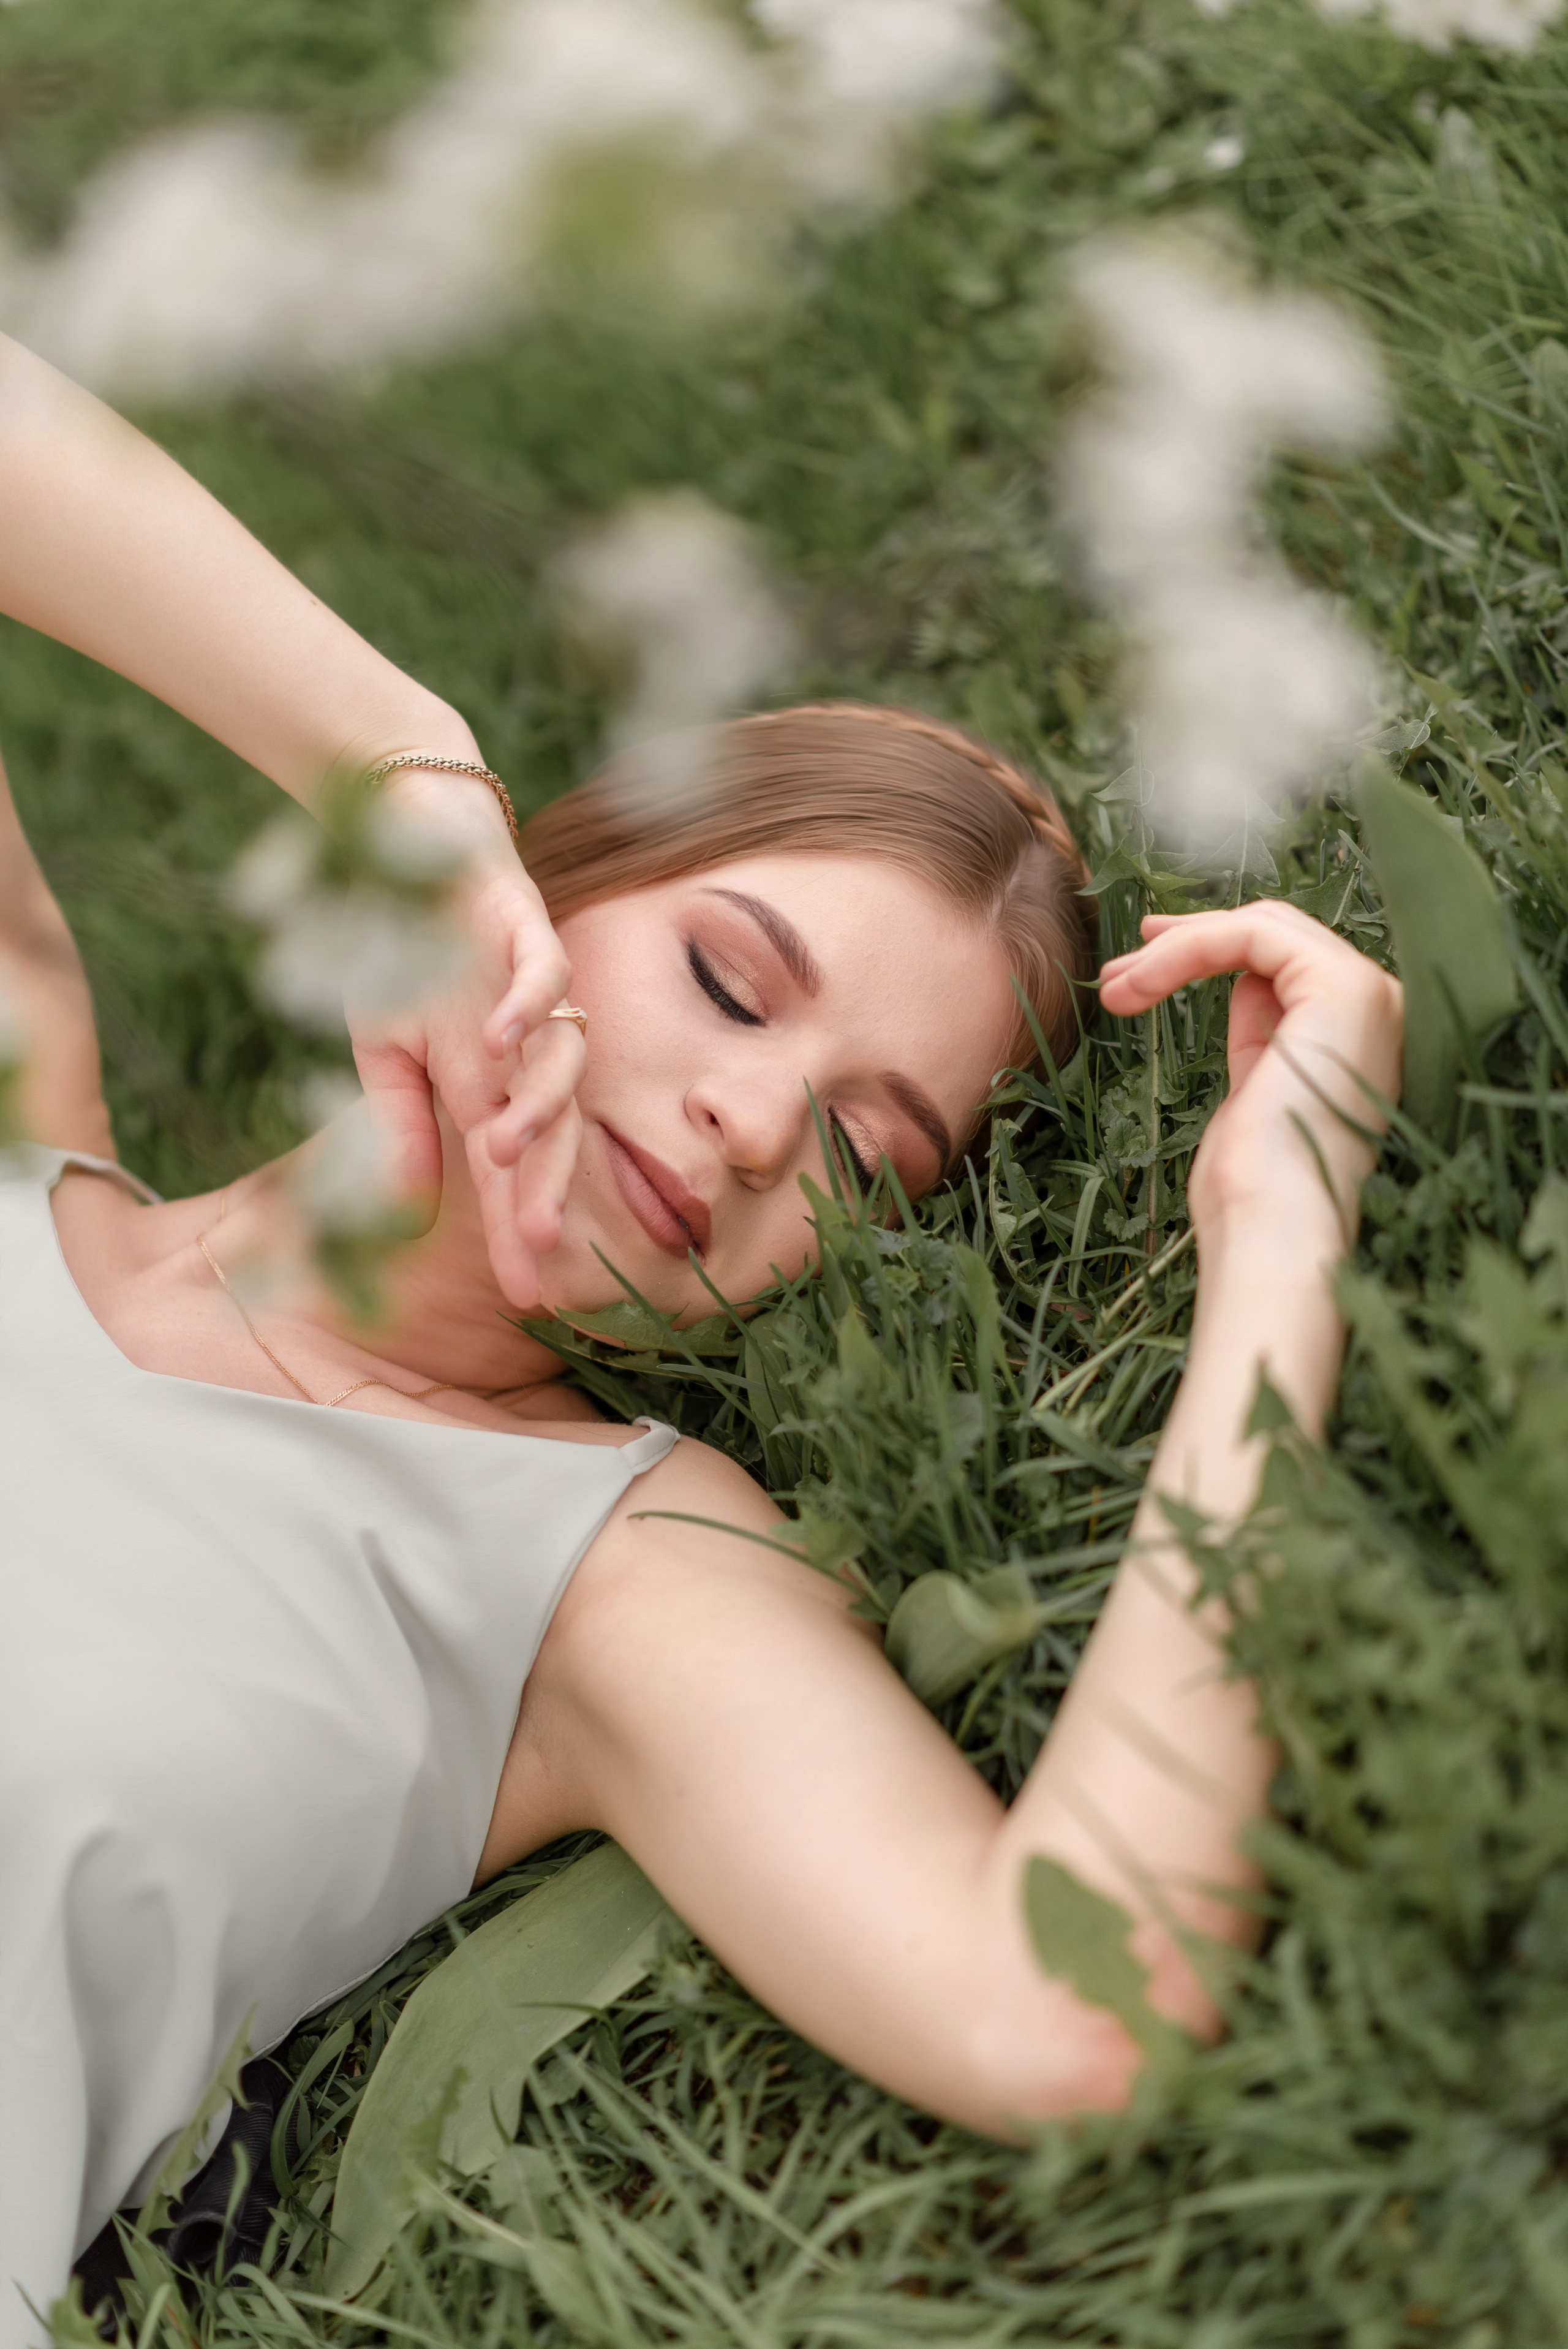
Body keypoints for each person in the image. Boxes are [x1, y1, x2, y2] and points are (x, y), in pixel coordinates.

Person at [0, 331, 1403, 2334]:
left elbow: (1063, 2003)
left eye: (861, 1147)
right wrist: (392, 759)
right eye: (735, 987)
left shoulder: (602, 1578)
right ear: (551, 881)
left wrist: (1283, 1234)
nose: (755, 1126)